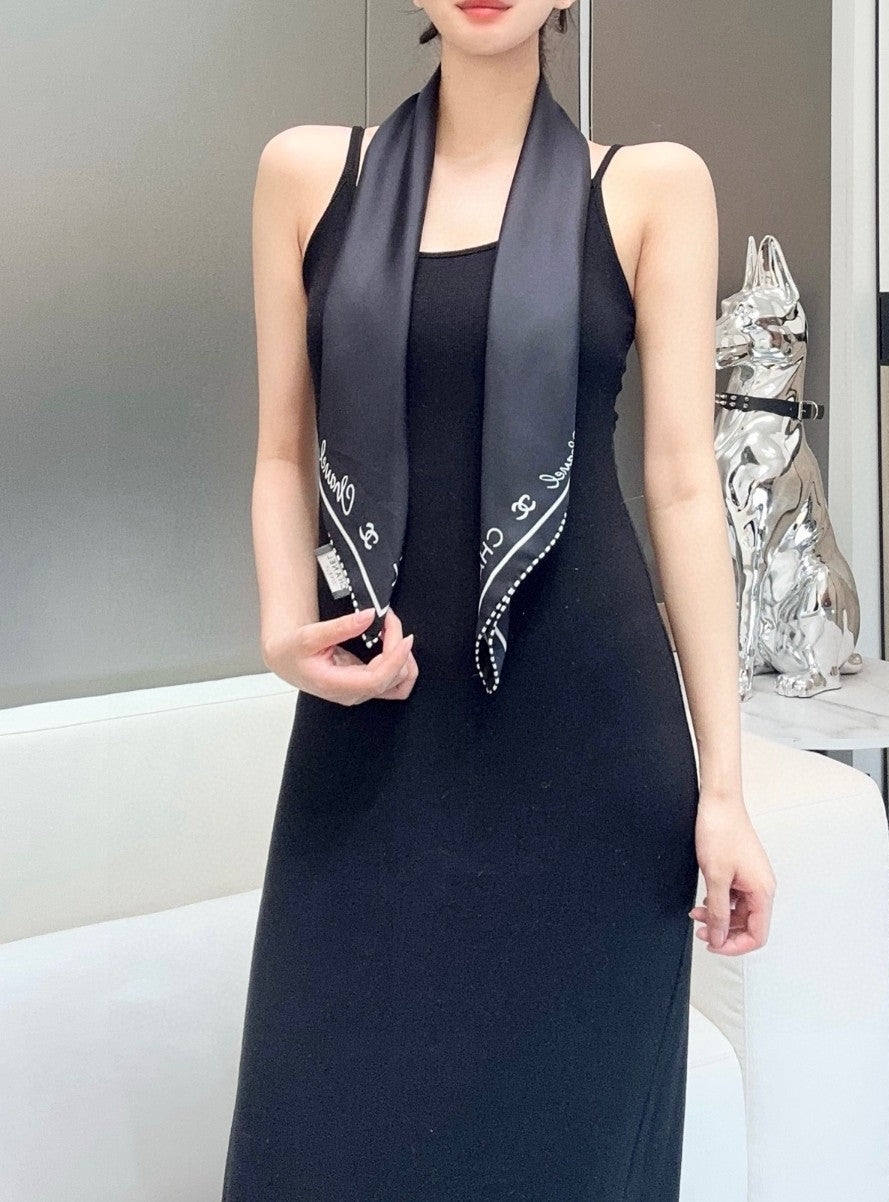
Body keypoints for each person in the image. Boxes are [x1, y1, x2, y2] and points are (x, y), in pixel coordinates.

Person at [222, 1, 776, 1198]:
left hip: (593, 757)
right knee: (325, 1127)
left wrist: (727, 789)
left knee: (566, 1145)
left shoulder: (653, 188)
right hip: (371, 738)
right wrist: (279, 625)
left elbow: (684, 486)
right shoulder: (305, 176)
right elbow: (280, 450)